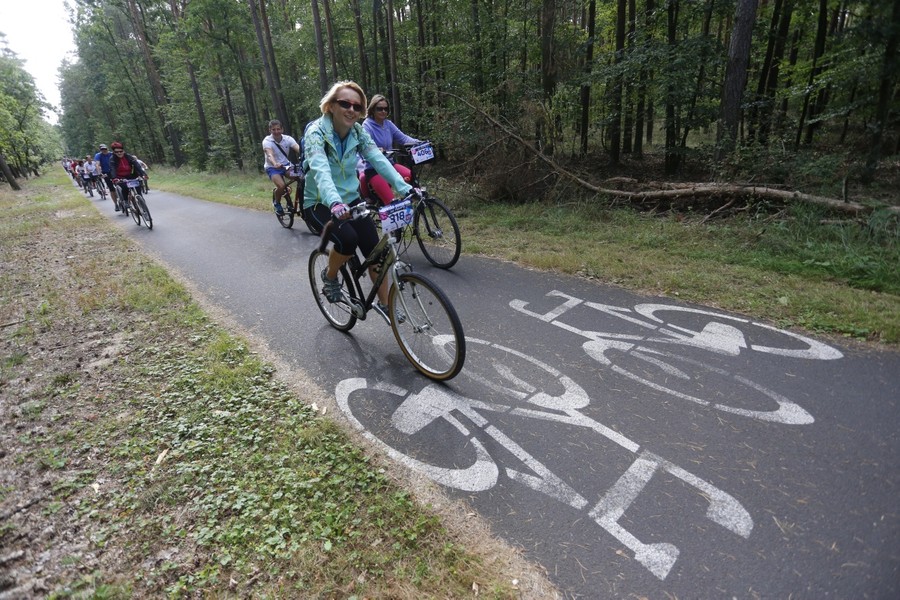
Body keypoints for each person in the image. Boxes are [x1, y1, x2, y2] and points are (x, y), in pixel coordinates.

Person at [303, 81, 413, 318]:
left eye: (357, 106)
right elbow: (320, 170)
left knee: (375, 251)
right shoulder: (316, 133)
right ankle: (330, 276)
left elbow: (379, 160)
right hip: (319, 202)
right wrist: (334, 202)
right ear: (331, 106)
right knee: (348, 239)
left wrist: (405, 189)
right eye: (345, 104)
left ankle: (385, 304)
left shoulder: (357, 132)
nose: (351, 109)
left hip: (351, 199)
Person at [359, 94, 422, 205]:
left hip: (391, 164)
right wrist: (376, 150)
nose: (383, 111)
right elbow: (365, 147)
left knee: (411, 177)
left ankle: (414, 206)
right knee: (391, 203)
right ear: (373, 109)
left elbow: (404, 139)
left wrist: (420, 143)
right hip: (374, 169)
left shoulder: (388, 124)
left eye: (386, 109)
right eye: (379, 109)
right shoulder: (367, 126)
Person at [261, 119, 301, 216]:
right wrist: (275, 163)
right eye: (273, 129)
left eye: (278, 129)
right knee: (281, 186)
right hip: (272, 168)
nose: (276, 131)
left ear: (282, 129)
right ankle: (277, 203)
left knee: (301, 177)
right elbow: (269, 154)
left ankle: (301, 199)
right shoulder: (267, 141)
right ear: (270, 130)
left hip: (286, 166)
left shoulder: (288, 139)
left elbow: (299, 149)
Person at [108, 141, 148, 212]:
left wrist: (143, 174)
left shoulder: (128, 156)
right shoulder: (112, 159)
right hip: (120, 177)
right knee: (124, 187)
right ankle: (126, 201)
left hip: (131, 175)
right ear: (114, 152)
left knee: (138, 188)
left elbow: (137, 165)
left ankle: (141, 201)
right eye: (117, 152)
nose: (119, 153)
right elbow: (112, 169)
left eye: (121, 151)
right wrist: (114, 178)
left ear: (123, 151)